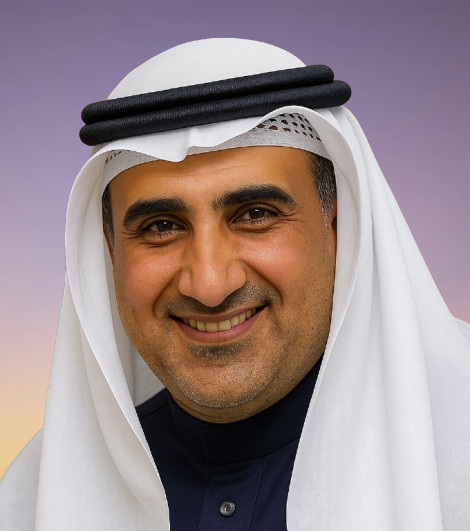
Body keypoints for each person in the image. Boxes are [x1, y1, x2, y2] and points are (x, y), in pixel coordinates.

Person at [1, 38, 469, 531]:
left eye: (256, 215)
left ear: (338, 226)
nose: (209, 285)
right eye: (162, 226)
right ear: (110, 250)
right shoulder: (32, 501)